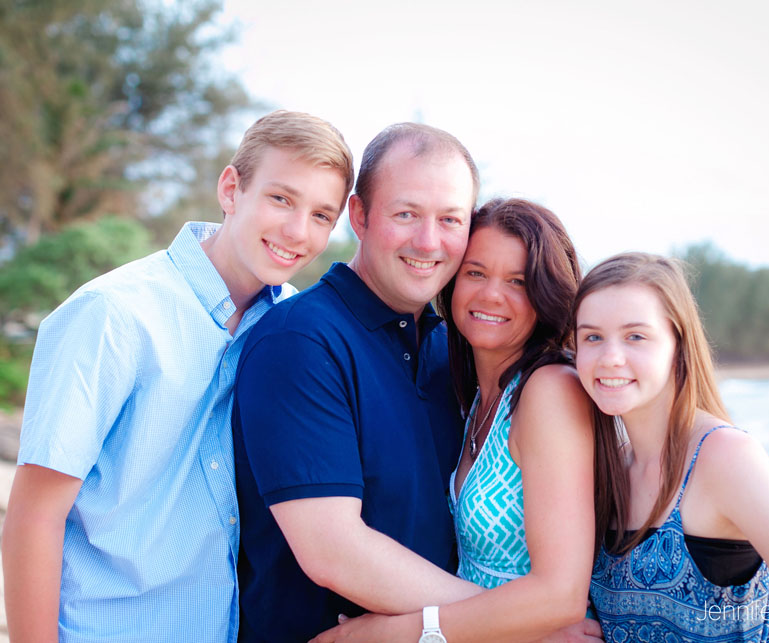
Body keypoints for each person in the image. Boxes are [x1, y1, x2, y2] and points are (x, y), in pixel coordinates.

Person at [1, 110, 354, 643]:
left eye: (322, 215)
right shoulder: (112, 315)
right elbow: (34, 516)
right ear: (231, 189)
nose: (297, 231)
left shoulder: (293, 329)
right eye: (281, 199)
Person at [232, 122, 484, 641]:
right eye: (406, 214)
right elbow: (334, 551)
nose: (428, 241)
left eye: (450, 219)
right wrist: (519, 620)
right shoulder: (299, 340)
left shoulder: (453, 350)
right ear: (360, 216)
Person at [312, 198, 602, 642]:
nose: (491, 295)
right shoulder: (478, 393)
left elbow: (561, 596)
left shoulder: (549, 390)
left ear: (545, 295)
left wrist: (383, 635)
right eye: (476, 273)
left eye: (518, 281)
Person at [573, 252, 769, 641]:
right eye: (593, 337)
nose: (610, 358)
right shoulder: (610, 469)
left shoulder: (724, 457)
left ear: (678, 345)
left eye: (636, 336)